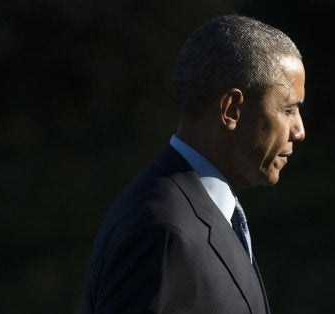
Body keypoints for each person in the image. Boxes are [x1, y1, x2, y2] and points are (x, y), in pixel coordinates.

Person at [82, 14, 305, 314]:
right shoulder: (164, 233)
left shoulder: (193, 212)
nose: (299, 130)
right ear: (232, 110)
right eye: (288, 109)